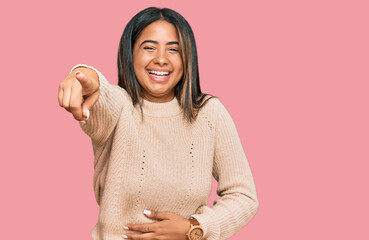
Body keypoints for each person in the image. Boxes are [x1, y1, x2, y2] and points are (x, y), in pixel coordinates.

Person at [58, 7, 258, 240]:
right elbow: (101, 95)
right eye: (149, 48)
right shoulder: (120, 107)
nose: (161, 59)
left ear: (187, 58)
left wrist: (193, 228)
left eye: (174, 50)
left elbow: (244, 196)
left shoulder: (209, 113)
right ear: (130, 54)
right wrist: (83, 76)